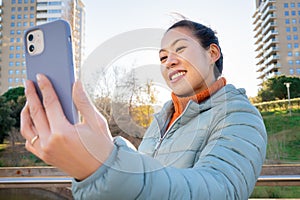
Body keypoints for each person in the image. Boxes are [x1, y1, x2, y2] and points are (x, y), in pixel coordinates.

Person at [21, 19, 267, 199]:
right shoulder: (162, 118)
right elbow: (150, 178)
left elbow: (219, 191)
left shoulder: (239, 115)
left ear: (212, 52)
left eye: (180, 49)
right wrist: (104, 149)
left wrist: (105, 167)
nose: (169, 61)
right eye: (162, 57)